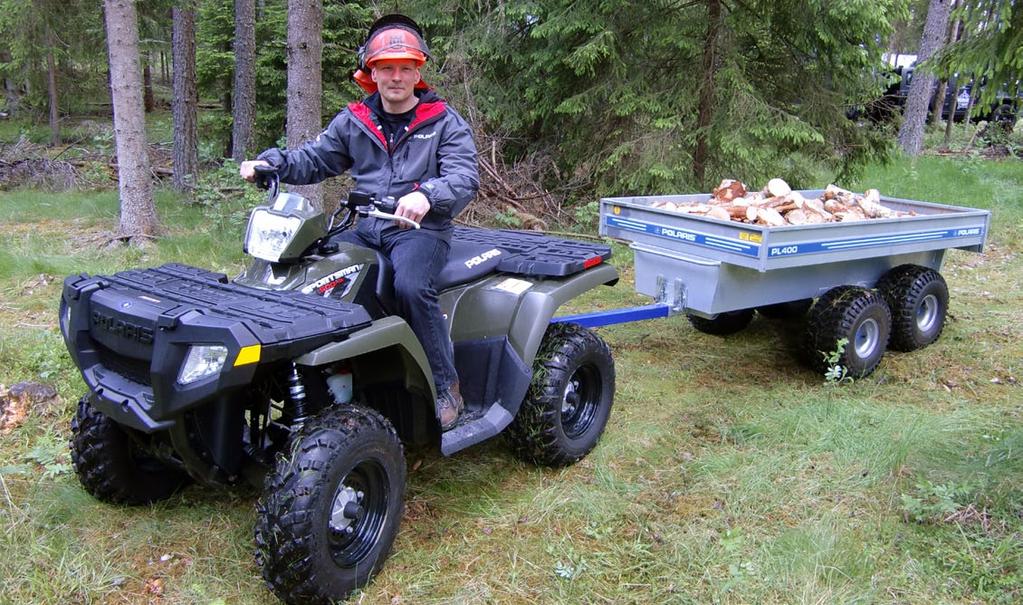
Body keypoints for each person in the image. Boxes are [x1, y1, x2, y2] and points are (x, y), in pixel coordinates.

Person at [240, 14, 479, 431]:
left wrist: (427, 195)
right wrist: (271, 163)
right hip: (367, 226)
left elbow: (464, 177)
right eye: (387, 68)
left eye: (405, 68)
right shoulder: (355, 120)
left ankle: (446, 387)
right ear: (371, 73)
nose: (396, 77)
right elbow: (315, 159)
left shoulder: (443, 121)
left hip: (421, 231)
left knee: (409, 286)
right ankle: (326, 377)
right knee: (317, 272)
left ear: (418, 71)